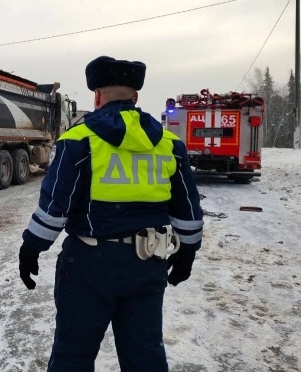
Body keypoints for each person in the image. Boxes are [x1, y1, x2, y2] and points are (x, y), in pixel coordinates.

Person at [18, 56, 204, 371]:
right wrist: (187, 252)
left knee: (73, 355)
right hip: (148, 263)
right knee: (145, 356)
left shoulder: (78, 140)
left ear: (97, 95)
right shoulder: (170, 144)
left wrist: (31, 249)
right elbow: (187, 208)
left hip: (88, 266)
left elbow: (54, 209)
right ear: (135, 97)